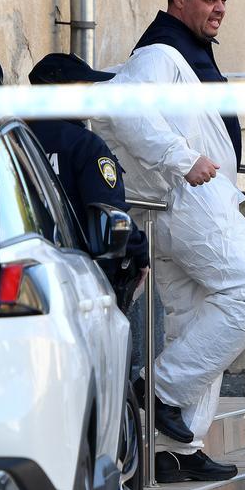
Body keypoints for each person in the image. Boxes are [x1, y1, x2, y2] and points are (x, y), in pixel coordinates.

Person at [91, 34, 245, 484]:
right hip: (191, 200)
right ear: (179, 1)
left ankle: (178, 449)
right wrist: (183, 158)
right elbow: (124, 103)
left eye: (223, 0)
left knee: (197, 326)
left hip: (172, 206)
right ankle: (157, 390)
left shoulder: (165, 62)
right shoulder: (160, 55)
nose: (220, 11)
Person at [26, 53, 148, 311]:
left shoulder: (14, 137)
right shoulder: (85, 145)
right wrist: (140, 252)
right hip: (81, 278)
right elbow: (109, 211)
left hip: (24, 272)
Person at [134, 0, 242, 164]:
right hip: (186, 190)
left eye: (224, 0)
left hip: (210, 188)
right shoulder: (160, 50)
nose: (221, 9)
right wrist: (187, 163)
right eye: (210, 0)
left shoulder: (193, 40)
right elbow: (136, 117)